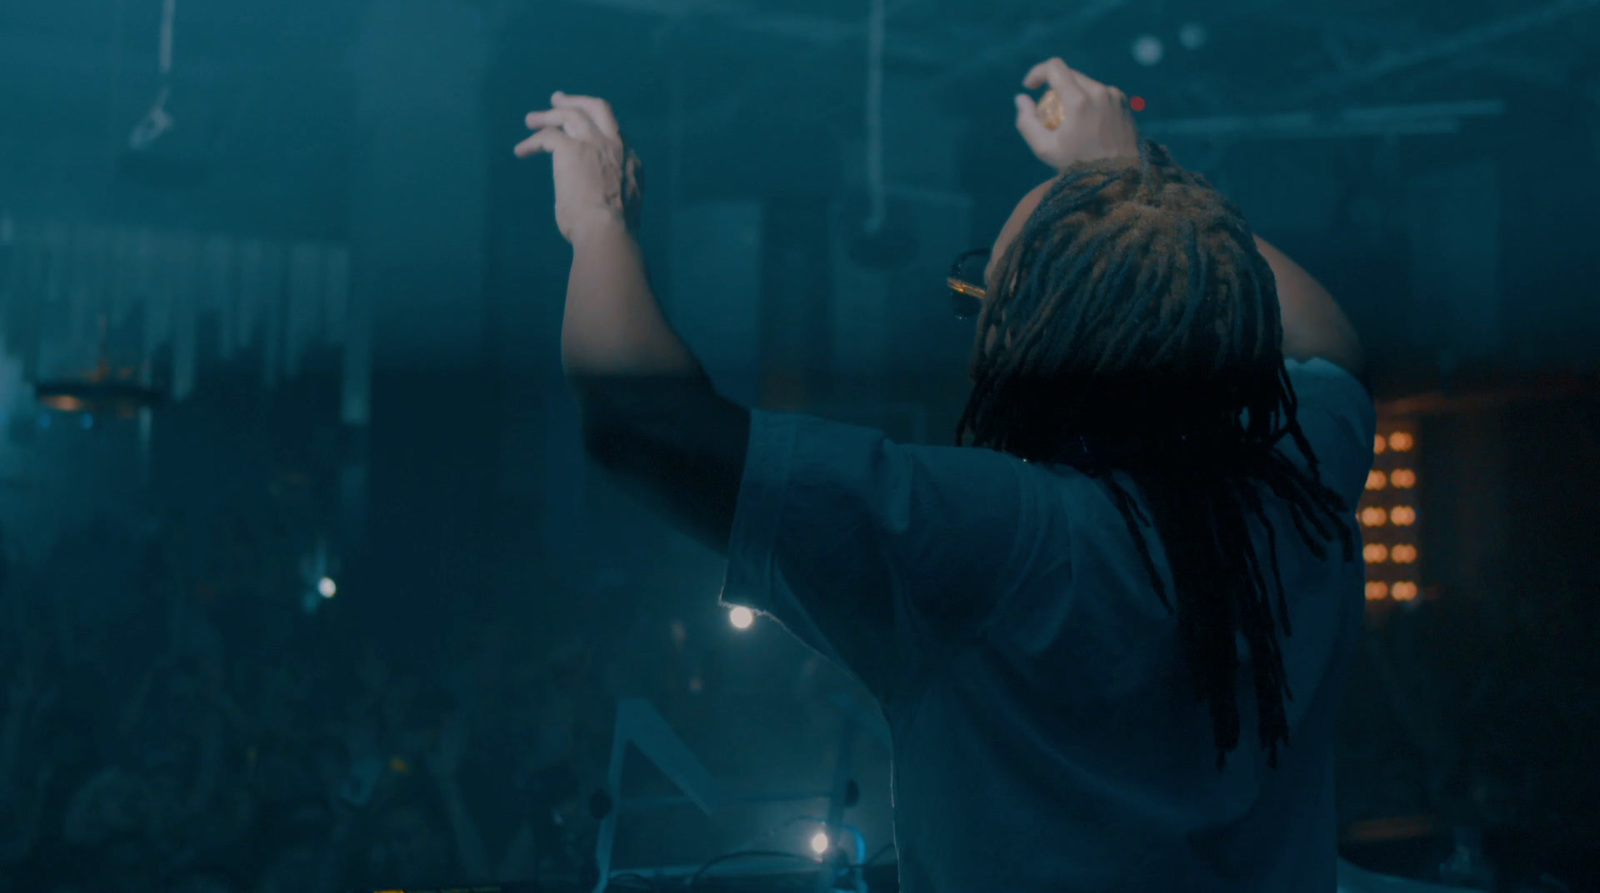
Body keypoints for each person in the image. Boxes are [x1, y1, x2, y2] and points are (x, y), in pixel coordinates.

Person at [515, 56, 1373, 893]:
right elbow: (1325, 341)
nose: (975, 323)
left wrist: (596, 223)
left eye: (987, 298)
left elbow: (641, 423)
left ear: (1039, 356)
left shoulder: (991, 541)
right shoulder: (1297, 495)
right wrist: (1128, 178)